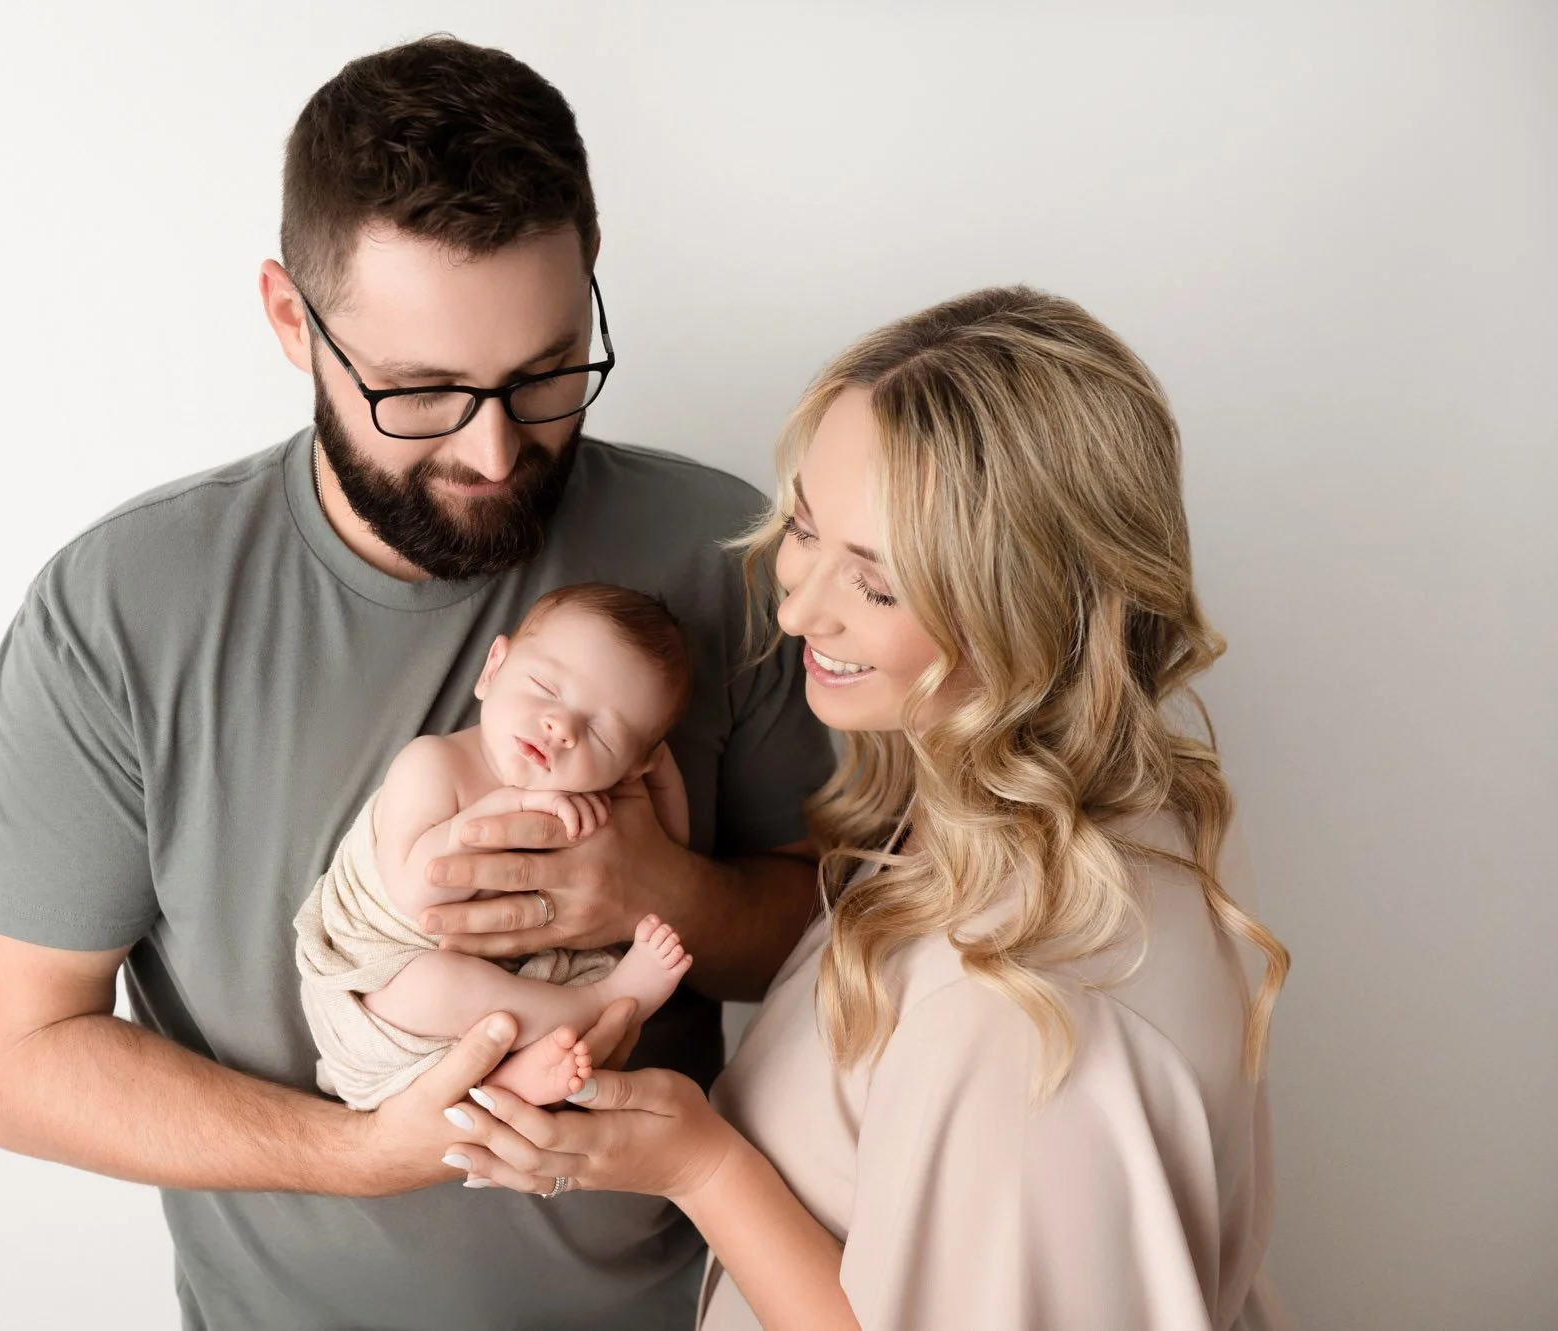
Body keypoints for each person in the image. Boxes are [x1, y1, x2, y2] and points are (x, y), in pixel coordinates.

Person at [0, 35, 832, 1331]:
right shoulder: (125, 610)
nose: (493, 445)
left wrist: (665, 889)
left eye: (544, 373)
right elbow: (10, 1057)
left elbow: (866, 937)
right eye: (421, 390)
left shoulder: (726, 557)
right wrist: (363, 1150)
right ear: (291, 319)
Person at [440, 286, 1294, 1330]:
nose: (796, 606)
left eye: (876, 585)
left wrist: (698, 1163)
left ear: (1022, 607)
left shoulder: (1018, 1012)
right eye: (803, 523)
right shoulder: (1096, 803)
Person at [295, 582, 697, 1109]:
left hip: (499, 1018)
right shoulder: (435, 765)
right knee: (432, 988)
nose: (561, 726)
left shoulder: (594, 797)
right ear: (493, 669)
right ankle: (607, 999)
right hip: (379, 992)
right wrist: (501, 811)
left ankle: (510, 1082)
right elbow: (421, 899)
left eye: (601, 733)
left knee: (554, 996)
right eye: (545, 688)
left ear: (630, 764)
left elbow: (669, 849)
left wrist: (658, 772)